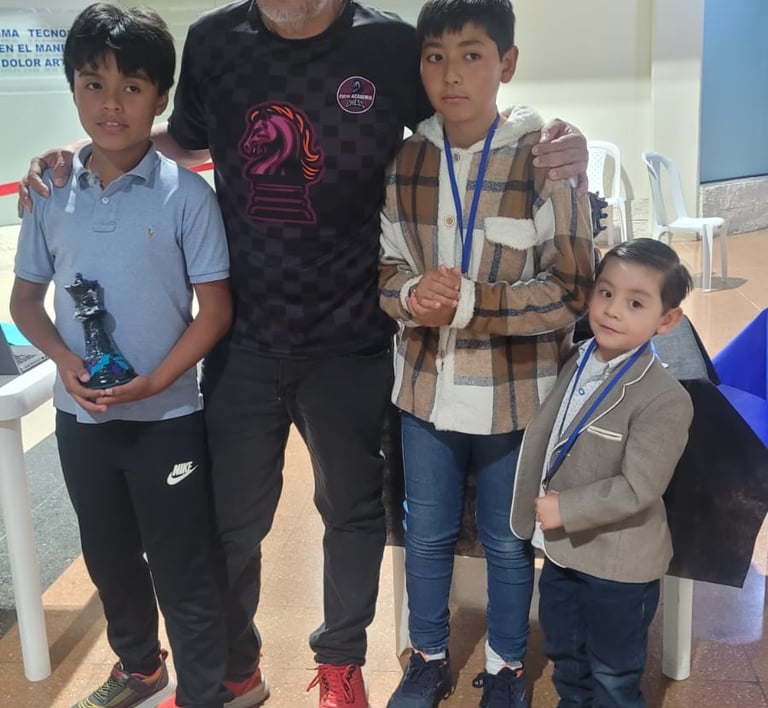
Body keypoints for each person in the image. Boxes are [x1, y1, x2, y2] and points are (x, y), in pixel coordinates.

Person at [19, 2, 591, 706]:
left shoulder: (387, 42)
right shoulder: (215, 40)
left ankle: (341, 663)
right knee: (229, 523)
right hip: (243, 337)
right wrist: (80, 154)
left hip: (352, 335)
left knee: (350, 514)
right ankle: (239, 667)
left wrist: (553, 138)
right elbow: (182, 139)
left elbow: (464, 116)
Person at [10, 5, 233, 708]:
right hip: (83, 419)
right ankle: (140, 667)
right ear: (74, 91)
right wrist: (62, 361)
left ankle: (203, 692)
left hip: (167, 418)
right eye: (93, 85)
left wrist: (155, 383)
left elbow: (216, 311)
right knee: (107, 558)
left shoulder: (187, 197)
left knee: (182, 563)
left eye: (131, 87)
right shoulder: (50, 194)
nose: (111, 104)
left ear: (160, 98)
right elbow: (25, 302)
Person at [377, 2, 595, 706]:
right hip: (425, 389)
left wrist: (474, 303)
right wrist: (411, 296)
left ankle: (505, 666)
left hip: (516, 393)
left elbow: (572, 290)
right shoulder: (405, 159)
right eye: (435, 56)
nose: (451, 74)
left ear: (506, 64)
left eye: (472, 55)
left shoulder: (543, 159)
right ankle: (427, 658)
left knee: (507, 540)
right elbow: (383, 269)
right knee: (426, 534)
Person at [510, 238, 694, 707]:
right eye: (606, 293)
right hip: (564, 554)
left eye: (636, 303)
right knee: (565, 655)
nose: (613, 310)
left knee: (613, 672)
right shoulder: (575, 358)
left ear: (667, 320)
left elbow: (639, 487)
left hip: (618, 567)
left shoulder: (665, 398)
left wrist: (566, 508)